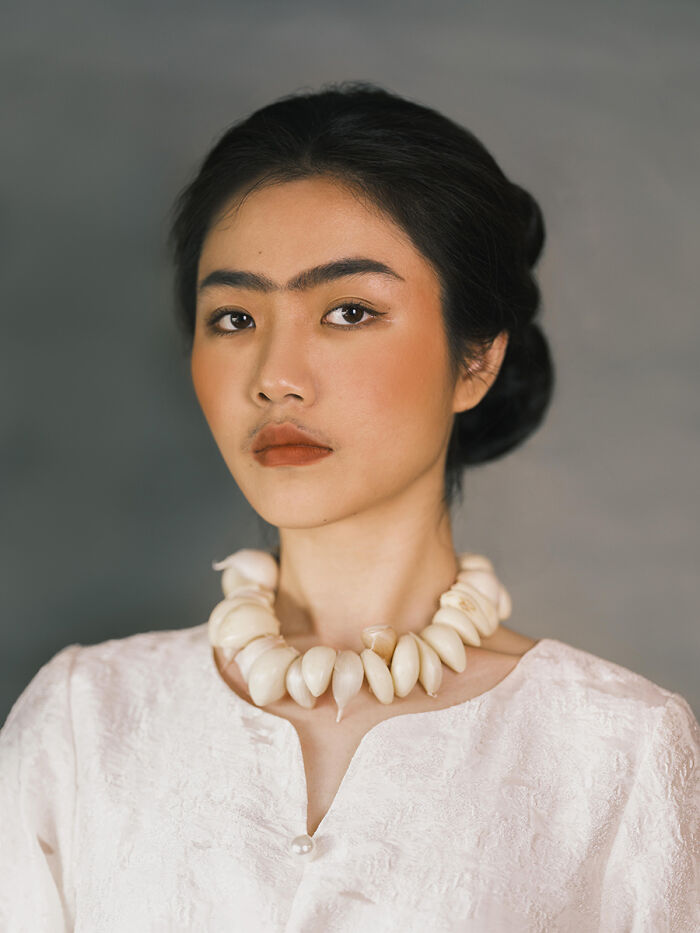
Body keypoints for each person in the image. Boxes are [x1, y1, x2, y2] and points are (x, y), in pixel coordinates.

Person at [1, 82, 698, 933]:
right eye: (232, 316)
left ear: (474, 361)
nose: (275, 373)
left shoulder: (617, 750)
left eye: (348, 310)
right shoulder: (85, 721)